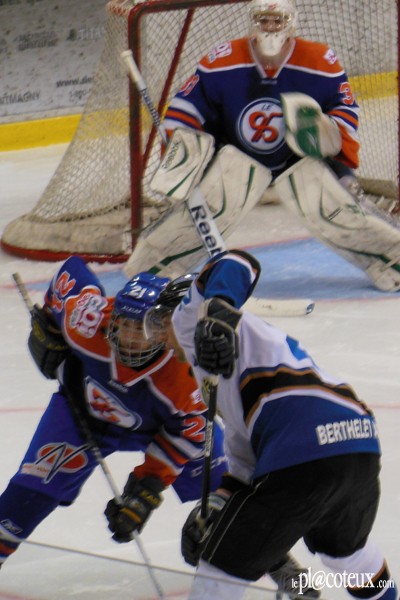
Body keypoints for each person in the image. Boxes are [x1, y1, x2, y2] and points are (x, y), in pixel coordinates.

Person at [144, 248, 398, 599]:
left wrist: (216, 314)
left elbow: (238, 262)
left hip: (303, 444)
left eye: (160, 323)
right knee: (347, 557)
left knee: (218, 571)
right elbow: (245, 467)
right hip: (358, 440)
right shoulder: (223, 378)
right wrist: (214, 509)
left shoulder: (190, 321)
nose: (160, 337)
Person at [155, 0, 400, 292]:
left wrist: (329, 136)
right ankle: (156, 269)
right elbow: (186, 107)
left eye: (277, 20)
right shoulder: (221, 60)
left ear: (291, 23)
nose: (270, 27)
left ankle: (391, 258)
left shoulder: (320, 60)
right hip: (236, 156)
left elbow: (345, 110)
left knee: (335, 206)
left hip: (300, 157)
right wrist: (182, 153)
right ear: (252, 23)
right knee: (210, 207)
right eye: (263, 20)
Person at [0, 255, 228, 568]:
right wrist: (49, 326)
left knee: (227, 493)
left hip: (157, 428)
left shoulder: (184, 373)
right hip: (82, 414)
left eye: (143, 328)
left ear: (166, 328)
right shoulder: (88, 320)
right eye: (125, 325)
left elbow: (187, 435)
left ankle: (273, 562)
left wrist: (145, 490)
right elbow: (71, 270)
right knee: (28, 495)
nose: (131, 338)